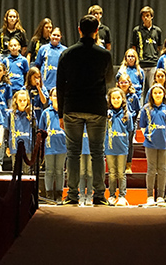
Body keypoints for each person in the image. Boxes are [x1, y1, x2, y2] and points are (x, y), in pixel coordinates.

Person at [57, 15, 114, 206]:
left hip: (72, 107)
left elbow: (60, 86)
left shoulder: (67, 54)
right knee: (98, 152)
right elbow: (108, 81)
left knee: (73, 153)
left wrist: (60, 114)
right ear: (97, 31)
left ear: (79, 30)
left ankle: (72, 195)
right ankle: (99, 195)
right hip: (96, 107)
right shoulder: (104, 54)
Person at [139, 83, 166, 205]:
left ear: (164, 94)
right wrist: (150, 136)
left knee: (162, 169)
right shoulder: (146, 108)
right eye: (155, 93)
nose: (158, 95)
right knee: (151, 168)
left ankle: (160, 195)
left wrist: (164, 136)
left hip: (164, 143)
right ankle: (150, 196)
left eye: (160, 92)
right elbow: (143, 126)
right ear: (151, 94)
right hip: (150, 143)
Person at [105, 87, 133, 206]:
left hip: (122, 148)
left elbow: (130, 131)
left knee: (121, 173)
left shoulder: (128, 115)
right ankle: (111, 195)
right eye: (113, 98)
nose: (116, 100)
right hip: (109, 148)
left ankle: (122, 196)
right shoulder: (106, 114)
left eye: (118, 98)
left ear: (122, 99)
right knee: (112, 173)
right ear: (110, 100)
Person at [39, 88, 66, 204]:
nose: (57, 98)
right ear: (50, 98)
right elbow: (41, 130)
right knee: (49, 171)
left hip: (62, 146)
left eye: (59, 95)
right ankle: (49, 195)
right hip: (49, 147)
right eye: (54, 95)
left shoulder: (65, 112)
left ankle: (59, 195)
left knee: (60, 171)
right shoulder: (46, 113)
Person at [129, 6, 163, 95]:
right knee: (140, 89)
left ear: (152, 16)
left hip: (153, 64)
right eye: (143, 16)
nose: (145, 18)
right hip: (141, 64)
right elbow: (134, 47)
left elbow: (159, 46)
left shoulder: (157, 31)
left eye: (147, 15)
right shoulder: (137, 30)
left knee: (153, 89)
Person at [34, 26, 65, 92]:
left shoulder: (65, 51)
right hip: (45, 86)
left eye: (58, 35)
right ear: (50, 35)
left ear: (61, 37)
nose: (55, 37)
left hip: (59, 86)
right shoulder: (43, 48)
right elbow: (37, 66)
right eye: (54, 35)